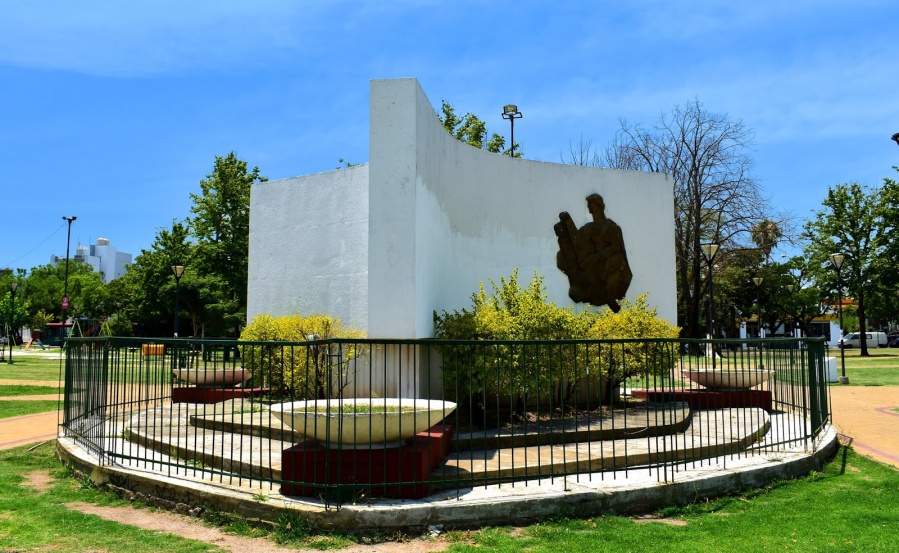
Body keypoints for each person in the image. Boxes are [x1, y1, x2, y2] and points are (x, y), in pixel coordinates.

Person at [555, 194, 632, 311]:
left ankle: (611, 297)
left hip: (606, 266)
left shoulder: (612, 227)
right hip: (590, 268)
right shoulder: (588, 228)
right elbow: (576, 242)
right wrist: (567, 223)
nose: (590, 207)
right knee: (563, 257)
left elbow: (615, 248)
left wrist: (594, 258)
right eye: (589, 205)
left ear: (601, 206)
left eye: (593, 204)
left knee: (615, 261)